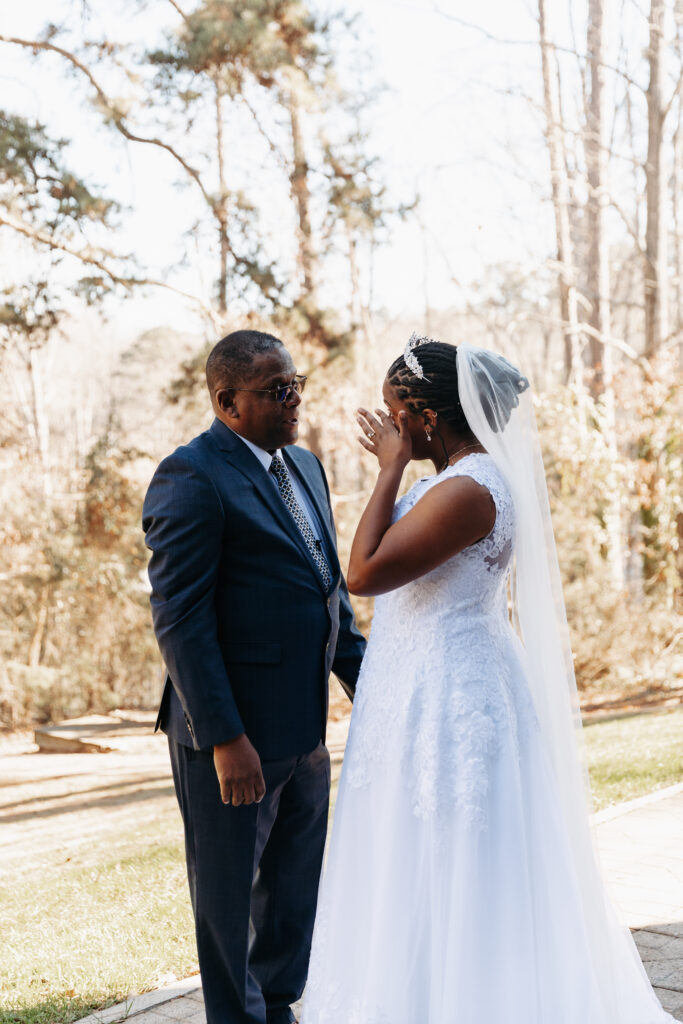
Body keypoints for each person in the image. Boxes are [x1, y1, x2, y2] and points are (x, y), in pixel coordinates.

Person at [301, 336, 673, 1024]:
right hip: (414, 688)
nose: (387, 426)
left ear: (426, 415)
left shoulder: (471, 491)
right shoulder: (447, 482)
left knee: (456, 860)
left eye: (393, 411)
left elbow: (364, 573)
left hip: (451, 697)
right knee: (405, 860)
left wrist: (385, 472)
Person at [142, 329, 365, 1024]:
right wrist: (225, 739)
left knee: (294, 892)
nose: (294, 399)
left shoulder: (304, 466)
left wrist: (372, 682)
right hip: (233, 739)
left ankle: (275, 1008)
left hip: (304, 733)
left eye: (295, 383)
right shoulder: (191, 476)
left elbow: (328, 592)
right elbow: (180, 620)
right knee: (228, 897)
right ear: (227, 401)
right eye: (276, 390)